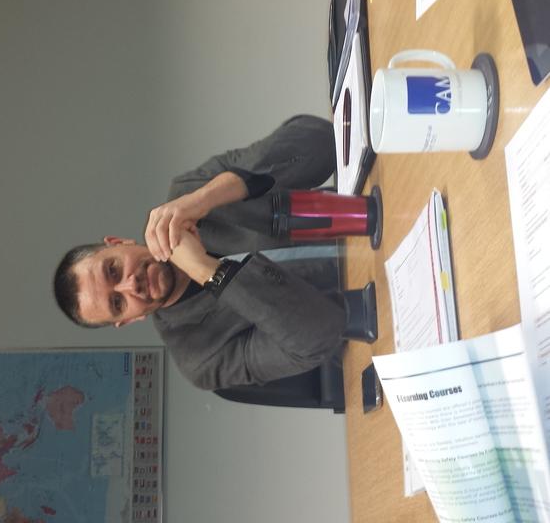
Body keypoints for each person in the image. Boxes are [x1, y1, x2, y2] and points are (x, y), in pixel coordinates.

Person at [54, 114, 357, 391]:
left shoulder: (188, 193)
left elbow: (324, 139)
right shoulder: (199, 358)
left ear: (119, 243)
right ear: (129, 320)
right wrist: (207, 271)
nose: (131, 284)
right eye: (118, 302)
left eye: (113, 270)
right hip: (377, 305)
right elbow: (321, 336)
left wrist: (209, 197)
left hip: (369, 211)